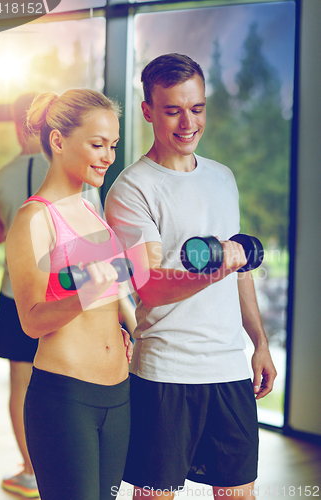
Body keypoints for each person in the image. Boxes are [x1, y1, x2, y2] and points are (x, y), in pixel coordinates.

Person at [105, 53, 277, 500]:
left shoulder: (223, 178)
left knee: (239, 494)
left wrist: (258, 341)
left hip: (227, 369)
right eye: (173, 110)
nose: (188, 123)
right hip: (165, 373)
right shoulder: (132, 188)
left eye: (196, 108)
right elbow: (150, 286)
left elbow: (240, 271)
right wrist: (216, 269)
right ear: (148, 111)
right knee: (156, 496)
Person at [6, 88, 133, 500]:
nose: (108, 157)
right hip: (66, 400)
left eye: (113, 145)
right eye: (97, 145)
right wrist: (85, 294)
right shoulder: (33, 218)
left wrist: (134, 327)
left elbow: (114, 290)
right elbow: (31, 320)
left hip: (118, 395)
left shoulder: (92, 209)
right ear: (59, 141)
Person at [0, 93, 49, 498]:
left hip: (13, 294)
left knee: (20, 385)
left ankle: (30, 471)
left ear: (14, 121)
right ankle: (56, 466)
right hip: (60, 294)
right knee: (58, 381)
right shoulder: (70, 169)